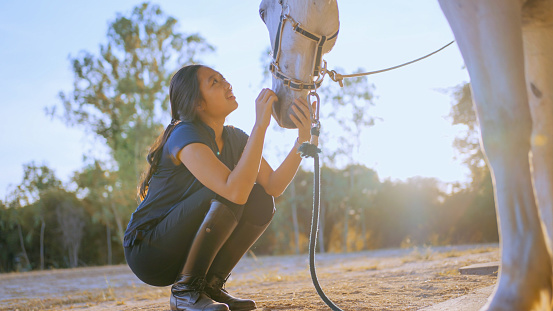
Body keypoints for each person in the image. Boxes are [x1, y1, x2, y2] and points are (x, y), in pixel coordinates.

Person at [123, 64, 313, 311]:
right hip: (149, 250)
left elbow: (274, 186)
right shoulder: (184, 134)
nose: (227, 84)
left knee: (260, 199)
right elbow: (232, 191)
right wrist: (260, 126)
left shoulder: (235, 138)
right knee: (229, 188)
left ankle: (209, 286)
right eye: (214, 82)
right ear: (197, 104)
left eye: (224, 78)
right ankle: (185, 292)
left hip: (182, 246)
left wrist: (303, 138)